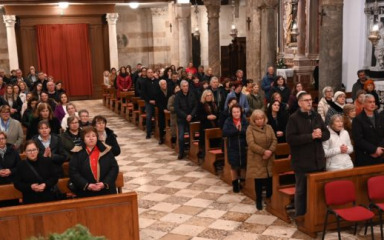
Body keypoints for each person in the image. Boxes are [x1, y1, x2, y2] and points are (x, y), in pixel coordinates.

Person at [286, 91, 330, 217]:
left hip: (318, 160)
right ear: (300, 103)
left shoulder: (316, 116)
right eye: (306, 100)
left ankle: (315, 216)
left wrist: (321, 135)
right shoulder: (294, 118)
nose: (310, 102)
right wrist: (310, 136)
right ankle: (300, 216)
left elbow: (327, 134)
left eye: (310, 99)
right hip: (302, 162)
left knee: (318, 191)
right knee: (301, 191)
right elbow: (290, 139)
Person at [69, 126, 119, 198]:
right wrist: (87, 185)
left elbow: (114, 168)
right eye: (88, 136)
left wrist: (104, 183)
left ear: (97, 137)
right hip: (86, 191)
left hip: (106, 190)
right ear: (83, 139)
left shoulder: (106, 150)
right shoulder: (77, 152)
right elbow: (73, 172)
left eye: (93, 136)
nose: (91, 138)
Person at [246, 109, 277, 210]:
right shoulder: (250, 129)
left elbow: (274, 140)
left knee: (269, 178)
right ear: (254, 120)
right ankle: (258, 200)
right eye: (257, 119)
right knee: (258, 179)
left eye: (261, 118)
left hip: (269, 157)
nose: (260, 121)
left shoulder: (269, 127)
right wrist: (264, 152)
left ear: (264, 119)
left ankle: (269, 198)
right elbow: (251, 144)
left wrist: (270, 151)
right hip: (257, 157)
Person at [13, 140, 59, 204]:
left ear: (37, 150)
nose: (32, 153)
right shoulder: (21, 165)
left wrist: (45, 184)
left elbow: (55, 177)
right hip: (30, 199)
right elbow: (17, 183)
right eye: (29, 150)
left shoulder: (47, 161)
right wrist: (30, 186)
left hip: (48, 197)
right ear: (25, 152)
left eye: (34, 150)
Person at [223, 104, 248, 193]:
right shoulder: (228, 121)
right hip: (232, 146)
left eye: (238, 112)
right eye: (234, 112)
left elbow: (248, 130)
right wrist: (236, 130)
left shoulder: (244, 120)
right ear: (231, 112)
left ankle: (242, 182)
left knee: (243, 166)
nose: (236, 114)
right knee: (234, 166)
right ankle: (235, 184)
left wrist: (241, 130)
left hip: (242, 146)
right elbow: (225, 132)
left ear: (240, 112)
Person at [353, 94, 384, 166]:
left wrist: (380, 149)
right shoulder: (358, 120)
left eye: (374, 102)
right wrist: (374, 150)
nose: (373, 104)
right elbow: (358, 140)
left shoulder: (380, 117)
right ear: (363, 104)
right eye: (370, 102)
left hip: (380, 155)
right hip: (365, 157)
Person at [174, 80, 197, 159]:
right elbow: (177, 109)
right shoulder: (177, 96)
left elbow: (195, 106)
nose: (186, 88)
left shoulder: (192, 94)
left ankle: (192, 151)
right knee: (181, 137)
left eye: (187, 86)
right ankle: (181, 152)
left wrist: (191, 115)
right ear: (181, 87)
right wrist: (186, 116)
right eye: (184, 86)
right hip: (182, 119)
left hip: (191, 118)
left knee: (193, 136)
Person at [198, 90, 219, 157]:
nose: (209, 97)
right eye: (207, 95)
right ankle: (205, 155)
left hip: (214, 126)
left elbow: (218, 113)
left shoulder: (214, 104)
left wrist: (215, 116)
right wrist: (207, 117)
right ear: (204, 96)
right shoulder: (201, 105)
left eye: (210, 95)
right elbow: (199, 116)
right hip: (205, 126)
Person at [141, 69, 159, 139]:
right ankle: (148, 133)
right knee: (149, 117)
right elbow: (143, 94)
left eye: (151, 72)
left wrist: (156, 100)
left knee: (157, 117)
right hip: (148, 102)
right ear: (146, 73)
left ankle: (157, 132)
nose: (150, 73)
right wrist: (149, 100)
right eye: (149, 72)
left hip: (156, 102)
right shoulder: (144, 82)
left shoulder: (156, 81)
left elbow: (158, 91)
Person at [156, 80, 172, 145]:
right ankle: (161, 138)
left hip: (169, 109)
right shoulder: (158, 92)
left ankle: (171, 138)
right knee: (161, 125)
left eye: (165, 84)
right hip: (162, 111)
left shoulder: (170, 91)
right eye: (162, 84)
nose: (164, 85)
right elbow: (158, 103)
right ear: (160, 85)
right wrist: (163, 109)